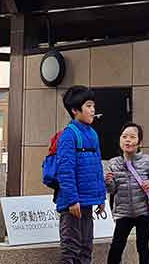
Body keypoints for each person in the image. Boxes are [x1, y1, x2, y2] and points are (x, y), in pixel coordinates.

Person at [56, 85, 107, 264]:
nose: (93, 110)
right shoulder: (69, 135)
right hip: (73, 204)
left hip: (87, 203)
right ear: (75, 110)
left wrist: (101, 198)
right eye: (88, 106)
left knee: (86, 248)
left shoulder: (92, 134)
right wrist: (71, 200)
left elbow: (97, 168)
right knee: (71, 249)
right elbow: (65, 171)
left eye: (93, 106)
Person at [104, 122, 149, 264]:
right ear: (120, 140)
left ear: (140, 142)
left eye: (132, 137)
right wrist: (108, 182)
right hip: (123, 212)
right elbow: (112, 190)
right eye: (124, 136)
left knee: (142, 247)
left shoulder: (148, 160)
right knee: (117, 246)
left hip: (143, 212)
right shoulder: (114, 163)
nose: (128, 140)